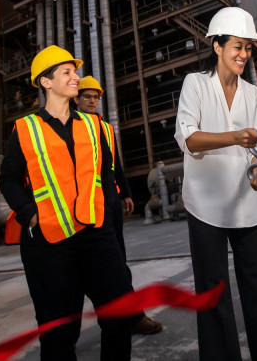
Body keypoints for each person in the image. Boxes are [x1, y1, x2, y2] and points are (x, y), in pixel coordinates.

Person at [0, 45, 134, 361]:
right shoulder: (25, 129)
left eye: (74, 72)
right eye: (67, 72)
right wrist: (31, 215)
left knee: (118, 316)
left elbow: (105, 173)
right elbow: (8, 180)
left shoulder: (91, 126)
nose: (76, 78)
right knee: (57, 331)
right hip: (48, 243)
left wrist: (106, 214)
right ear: (45, 82)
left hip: (96, 236)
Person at [174, 7, 257, 361]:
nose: (243, 54)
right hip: (205, 205)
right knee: (213, 292)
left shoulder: (253, 94)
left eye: (248, 48)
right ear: (217, 46)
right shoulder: (196, 84)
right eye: (237, 46)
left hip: (246, 205)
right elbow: (189, 140)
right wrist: (235, 137)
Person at [75, 75, 163, 335]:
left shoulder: (105, 128)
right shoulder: (70, 126)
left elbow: (115, 163)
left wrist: (125, 192)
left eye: (95, 97)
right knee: (87, 268)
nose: (92, 101)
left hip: (110, 201)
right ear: (77, 99)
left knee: (118, 262)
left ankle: (132, 317)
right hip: (85, 204)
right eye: (87, 97)